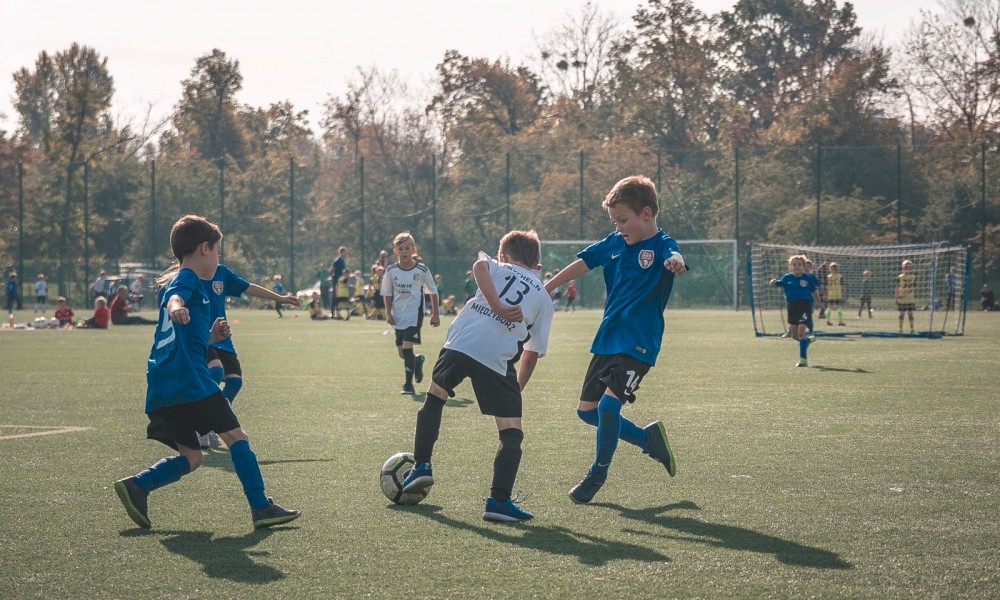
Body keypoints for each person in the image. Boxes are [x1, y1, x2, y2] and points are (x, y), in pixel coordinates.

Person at [113, 214, 300, 530]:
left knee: (192, 457)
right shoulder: (185, 281)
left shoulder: (194, 286)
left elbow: (185, 336)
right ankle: (260, 507)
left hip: (162, 383)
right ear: (204, 249)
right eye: (217, 251)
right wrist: (176, 307)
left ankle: (138, 485)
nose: (217, 258)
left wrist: (212, 338)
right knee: (236, 437)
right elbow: (175, 299)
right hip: (190, 380)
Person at [542, 175, 686, 504]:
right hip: (608, 337)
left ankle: (598, 472)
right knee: (587, 412)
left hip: (639, 342)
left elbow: (674, 253)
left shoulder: (662, 245)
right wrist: (548, 286)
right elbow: (584, 263)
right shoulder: (615, 243)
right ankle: (649, 441)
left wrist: (676, 262)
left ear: (646, 214)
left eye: (623, 220)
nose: (619, 227)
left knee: (609, 406)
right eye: (614, 221)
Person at [400, 231, 554, 522]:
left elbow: (479, 265)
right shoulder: (544, 298)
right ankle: (498, 501)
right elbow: (532, 352)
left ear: (505, 256)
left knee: (434, 399)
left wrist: (493, 303)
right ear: (537, 264)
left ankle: (421, 466)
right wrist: (515, 389)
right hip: (497, 356)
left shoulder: (499, 266)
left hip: (461, 342)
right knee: (511, 432)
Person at [200, 263, 300, 448]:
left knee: (235, 382)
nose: (217, 253)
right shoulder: (191, 273)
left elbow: (249, 287)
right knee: (214, 372)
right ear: (204, 248)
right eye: (215, 247)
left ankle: (211, 422)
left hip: (222, 335)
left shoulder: (221, 272)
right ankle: (201, 427)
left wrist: (280, 298)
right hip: (202, 335)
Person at [382, 232, 440, 395]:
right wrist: (388, 313)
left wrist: (435, 313)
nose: (404, 251)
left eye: (408, 248)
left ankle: (408, 385)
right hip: (397, 315)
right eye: (401, 249)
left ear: (414, 249)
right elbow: (386, 293)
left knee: (407, 347)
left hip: (415, 314)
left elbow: (433, 291)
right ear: (396, 252)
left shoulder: (421, 269)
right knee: (402, 353)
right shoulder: (391, 271)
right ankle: (417, 361)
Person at [770, 255, 822, 367]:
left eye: (799, 264)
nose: (797, 266)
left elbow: (814, 292)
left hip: (804, 306)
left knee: (801, 332)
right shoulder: (787, 278)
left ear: (804, 267)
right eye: (794, 264)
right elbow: (776, 284)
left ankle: (803, 360)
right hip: (792, 307)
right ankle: (807, 341)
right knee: (794, 336)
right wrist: (772, 282)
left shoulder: (807, 279)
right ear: (790, 266)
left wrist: (818, 302)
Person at [896, 259, 917, 334]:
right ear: (903, 268)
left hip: (910, 299)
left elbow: (911, 289)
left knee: (910, 314)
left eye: (908, 267)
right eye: (905, 267)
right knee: (901, 315)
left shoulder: (913, 277)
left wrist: (903, 295)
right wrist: (897, 297)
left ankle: (912, 329)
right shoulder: (900, 277)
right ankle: (900, 329)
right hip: (902, 300)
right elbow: (897, 287)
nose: (907, 268)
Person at [825, 262, 846, 326]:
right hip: (837, 294)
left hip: (830, 294)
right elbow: (842, 286)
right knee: (839, 307)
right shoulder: (840, 276)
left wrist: (826, 294)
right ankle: (840, 321)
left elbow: (826, 287)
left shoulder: (828, 277)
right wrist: (843, 292)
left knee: (829, 307)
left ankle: (828, 321)